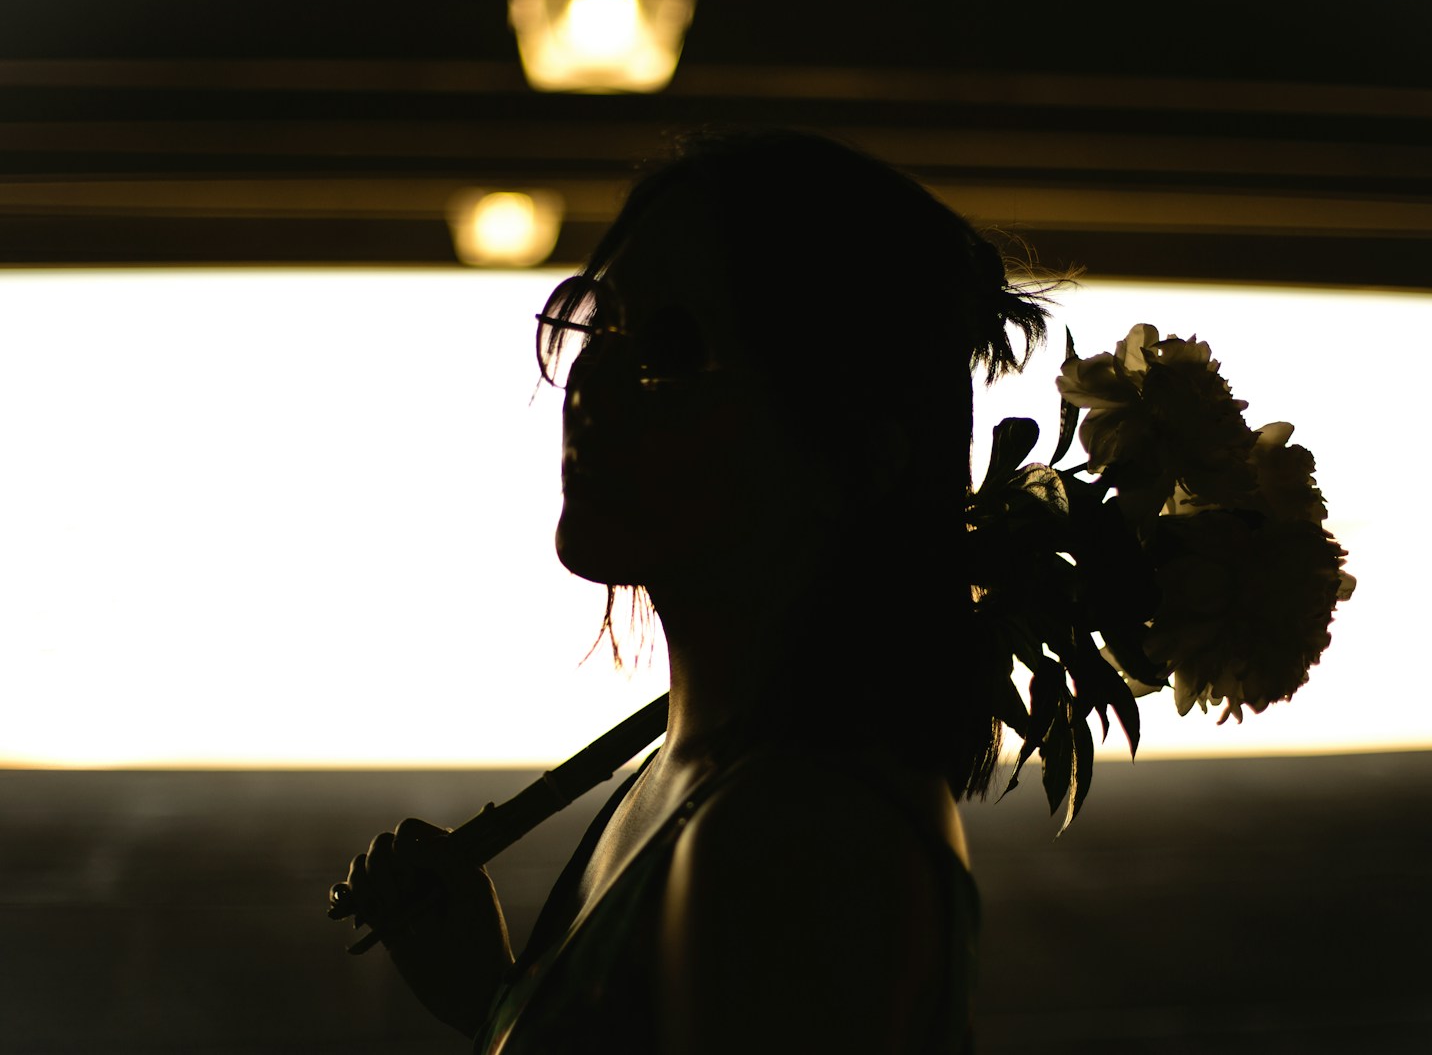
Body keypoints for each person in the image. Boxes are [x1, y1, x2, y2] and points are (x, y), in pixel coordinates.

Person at [333, 128, 1056, 1054]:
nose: (590, 380)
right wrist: (499, 999)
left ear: (854, 452)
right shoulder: (710, 765)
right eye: (602, 320)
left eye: (673, 347)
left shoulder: (797, 838)